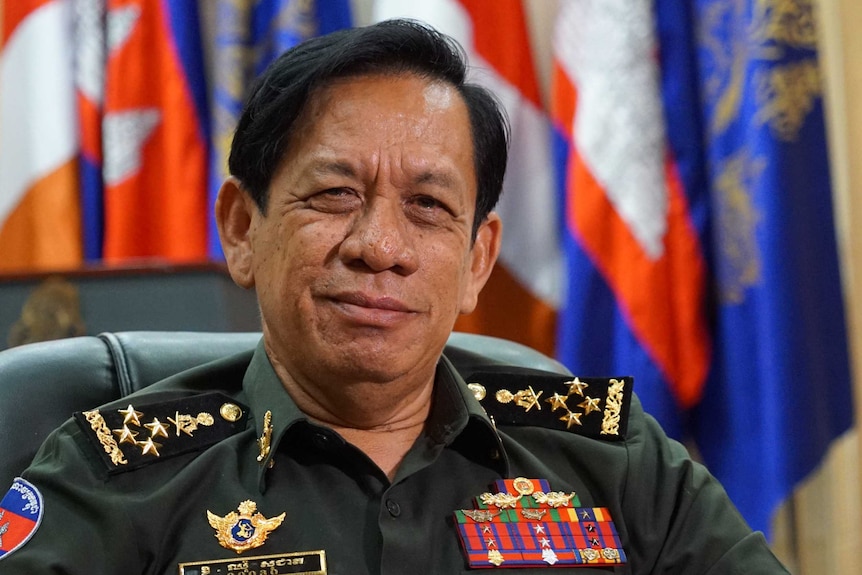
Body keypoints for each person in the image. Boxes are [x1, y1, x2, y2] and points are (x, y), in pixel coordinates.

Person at [0, 19, 788, 574]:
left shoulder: (611, 462)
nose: (380, 246)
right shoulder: (117, 478)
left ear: (479, 259)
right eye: (336, 193)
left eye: (429, 207)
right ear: (243, 228)